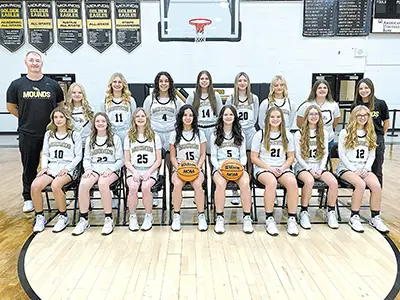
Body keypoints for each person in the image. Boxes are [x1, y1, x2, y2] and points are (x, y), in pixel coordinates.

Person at [6, 50, 64, 213]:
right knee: (29, 166)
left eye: (37, 61)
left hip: (51, 134)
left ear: (41, 63)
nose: (34, 63)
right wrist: (24, 118)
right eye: (31, 60)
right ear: (26, 63)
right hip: (28, 133)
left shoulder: (52, 85)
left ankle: (57, 194)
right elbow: (10, 107)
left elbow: (60, 106)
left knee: (56, 165)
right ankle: (28, 198)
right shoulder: (17, 85)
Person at [337, 105, 389, 233]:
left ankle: (375, 217)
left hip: (364, 167)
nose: (362, 118)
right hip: (347, 168)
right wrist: (353, 169)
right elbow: (341, 154)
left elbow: (372, 155)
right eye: (359, 115)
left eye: (365, 115)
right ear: (354, 116)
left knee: (376, 186)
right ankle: (354, 216)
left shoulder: (371, 133)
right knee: (360, 184)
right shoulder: (345, 132)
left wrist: (366, 168)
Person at [31, 107, 82, 233]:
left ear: (67, 118)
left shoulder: (74, 134)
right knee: (35, 185)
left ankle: (63, 216)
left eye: (61, 117)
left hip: (69, 167)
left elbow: (78, 156)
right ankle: (40, 216)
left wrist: (67, 168)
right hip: (52, 166)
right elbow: (46, 153)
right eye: (55, 117)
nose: (58, 120)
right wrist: (44, 168)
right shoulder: (49, 134)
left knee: (56, 185)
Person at [72, 113, 124, 236]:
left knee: (102, 183)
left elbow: (120, 160)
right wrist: (88, 169)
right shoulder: (90, 139)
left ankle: (108, 218)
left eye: (103, 121)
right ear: (94, 124)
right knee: (83, 184)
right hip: (94, 168)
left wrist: (111, 169)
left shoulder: (114, 138)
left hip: (111, 169)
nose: (100, 123)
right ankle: (83, 219)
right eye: (97, 121)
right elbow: (86, 158)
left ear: (107, 124)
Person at [251, 107, 299, 236]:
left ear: (282, 119)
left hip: (281, 167)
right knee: (271, 182)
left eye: (278, 117)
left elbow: (291, 157)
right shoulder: (260, 134)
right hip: (264, 168)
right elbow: (254, 158)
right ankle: (269, 218)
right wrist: (270, 168)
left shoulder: (287, 134)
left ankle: (292, 218)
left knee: (292, 183)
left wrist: (283, 168)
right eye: (272, 117)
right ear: (267, 119)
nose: (275, 119)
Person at [294, 105, 339, 230]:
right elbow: (297, 155)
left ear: (320, 117)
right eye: (311, 114)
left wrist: (321, 168)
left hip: (319, 166)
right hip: (303, 166)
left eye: (316, 114)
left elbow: (325, 152)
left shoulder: (324, 133)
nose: (313, 116)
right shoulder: (299, 133)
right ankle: (304, 211)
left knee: (333, 182)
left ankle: (330, 211)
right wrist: (309, 169)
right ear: (306, 116)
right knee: (309, 181)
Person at [143, 71, 184, 206]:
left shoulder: (175, 100)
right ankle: (154, 191)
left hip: (171, 134)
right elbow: (146, 119)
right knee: (155, 163)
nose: (163, 83)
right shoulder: (150, 99)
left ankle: (173, 194)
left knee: (171, 165)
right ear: (157, 83)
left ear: (170, 83)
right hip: (155, 134)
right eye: (161, 81)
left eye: (166, 81)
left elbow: (180, 120)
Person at [211, 105, 253, 234]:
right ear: (221, 117)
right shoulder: (215, 134)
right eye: (226, 115)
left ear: (235, 117)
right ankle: (219, 217)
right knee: (220, 183)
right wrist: (219, 168)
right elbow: (213, 156)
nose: (228, 117)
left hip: (237, 167)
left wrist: (241, 166)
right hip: (220, 168)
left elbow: (243, 155)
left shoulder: (240, 134)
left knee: (246, 183)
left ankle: (247, 217)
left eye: (231, 114)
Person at [169, 104, 207, 231]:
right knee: (178, 185)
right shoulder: (174, 134)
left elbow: (203, 154)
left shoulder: (200, 133)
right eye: (185, 115)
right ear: (181, 117)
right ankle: (176, 215)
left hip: (196, 168)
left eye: (190, 115)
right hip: (179, 169)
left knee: (197, 185)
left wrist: (198, 167)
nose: (188, 117)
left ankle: (201, 215)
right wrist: (178, 168)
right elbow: (172, 157)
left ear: (194, 118)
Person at [124, 108, 162, 232]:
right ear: (134, 120)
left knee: (146, 187)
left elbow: (158, 160)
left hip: (150, 170)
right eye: (137, 116)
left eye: (143, 116)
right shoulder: (128, 137)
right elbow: (127, 161)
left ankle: (148, 216)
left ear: (147, 119)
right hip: (133, 170)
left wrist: (149, 172)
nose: (140, 118)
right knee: (133, 187)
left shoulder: (155, 137)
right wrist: (134, 171)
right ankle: (133, 216)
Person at [226, 72, 259, 204]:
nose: (242, 83)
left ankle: (247, 188)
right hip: (236, 131)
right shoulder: (231, 98)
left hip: (250, 131)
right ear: (236, 83)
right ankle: (234, 190)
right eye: (240, 80)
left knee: (250, 160)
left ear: (248, 83)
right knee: (235, 159)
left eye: (245, 80)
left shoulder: (254, 98)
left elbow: (255, 116)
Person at [351, 78, 390, 187]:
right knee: (359, 169)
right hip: (360, 140)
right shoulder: (355, 106)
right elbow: (352, 123)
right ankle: (357, 195)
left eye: (366, 88)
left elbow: (386, 122)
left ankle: (376, 196)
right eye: (361, 88)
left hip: (376, 139)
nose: (364, 90)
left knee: (377, 169)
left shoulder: (380, 104)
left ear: (371, 89)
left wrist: (380, 136)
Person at [186, 70, 223, 155]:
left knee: (212, 153)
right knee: (199, 154)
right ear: (198, 81)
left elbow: (221, 114)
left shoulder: (215, 95)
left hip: (212, 128)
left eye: (206, 78)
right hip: (198, 128)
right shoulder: (192, 96)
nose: (204, 81)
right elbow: (186, 112)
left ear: (210, 81)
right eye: (202, 79)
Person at [297, 79, 340, 150]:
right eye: (319, 88)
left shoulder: (333, 105)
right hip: (310, 140)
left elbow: (335, 122)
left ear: (328, 90)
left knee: (325, 159)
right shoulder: (306, 105)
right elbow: (299, 123)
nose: (322, 90)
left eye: (325, 88)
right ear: (315, 90)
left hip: (328, 140)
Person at [103, 72, 137, 143]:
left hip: (126, 132)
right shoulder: (105, 100)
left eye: (120, 82)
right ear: (111, 84)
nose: (117, 84)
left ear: (123, 84)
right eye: (114, 82)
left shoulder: (130, 100)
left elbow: (134, 118)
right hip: (112, 133)